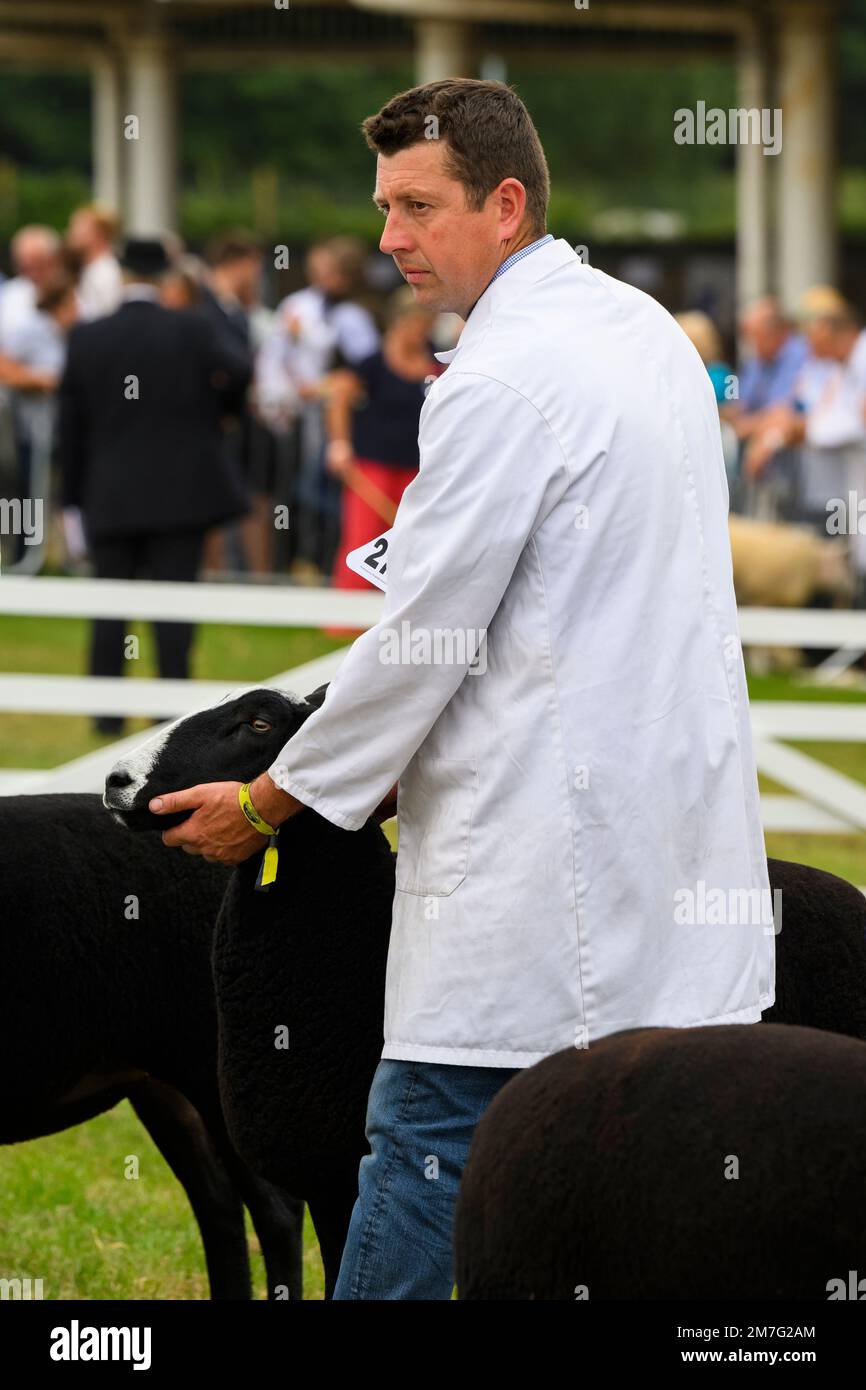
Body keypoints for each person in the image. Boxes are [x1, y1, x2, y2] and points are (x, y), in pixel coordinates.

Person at [147, 78, 775, 1299]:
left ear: (504, 203)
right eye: (382, 207)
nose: (388, 239)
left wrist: (277, 800)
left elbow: (419, 637)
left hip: (538, 886)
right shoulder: (641, 328)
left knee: (426, 1158)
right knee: (618, 1210)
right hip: (673, 853)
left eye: (416, 206)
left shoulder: (494, 383)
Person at [58, 236, 252, 734]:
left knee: (109, 604)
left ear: (122, 274)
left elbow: (70, 426)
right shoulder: (192, 328)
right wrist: (217, 417)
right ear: (167, 274)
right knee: (174, 605)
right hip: (180, 494)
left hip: (110, 492)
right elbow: (239, 372)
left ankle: (106, 714)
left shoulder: (87, 336)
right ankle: (171, 712)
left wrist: (74, 498)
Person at [255, 237, 380, 581]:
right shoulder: (300, 305)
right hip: (299, 415)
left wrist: (322, 385)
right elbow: (274, 358)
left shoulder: (354, 315)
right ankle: (302, 560)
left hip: (336, 417)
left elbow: (364, 371)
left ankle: (326, 562)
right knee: (298, 488)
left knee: (323, 489)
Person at [324, 287, 444, 589]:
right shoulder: (373, 362)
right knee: (363, 539)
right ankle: (345, 621)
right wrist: (339, 445)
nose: (420, 332)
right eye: (415, 324)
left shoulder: (438, 361)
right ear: (399, 321)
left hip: (420, 470)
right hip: (371, 467)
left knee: (413, 543)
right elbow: (338, 398)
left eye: (426, 324)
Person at [65, 204, 123, 320]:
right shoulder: (89, 269)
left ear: (100, 234)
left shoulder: (106, 273)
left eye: (79, 227)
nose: (72, 233)